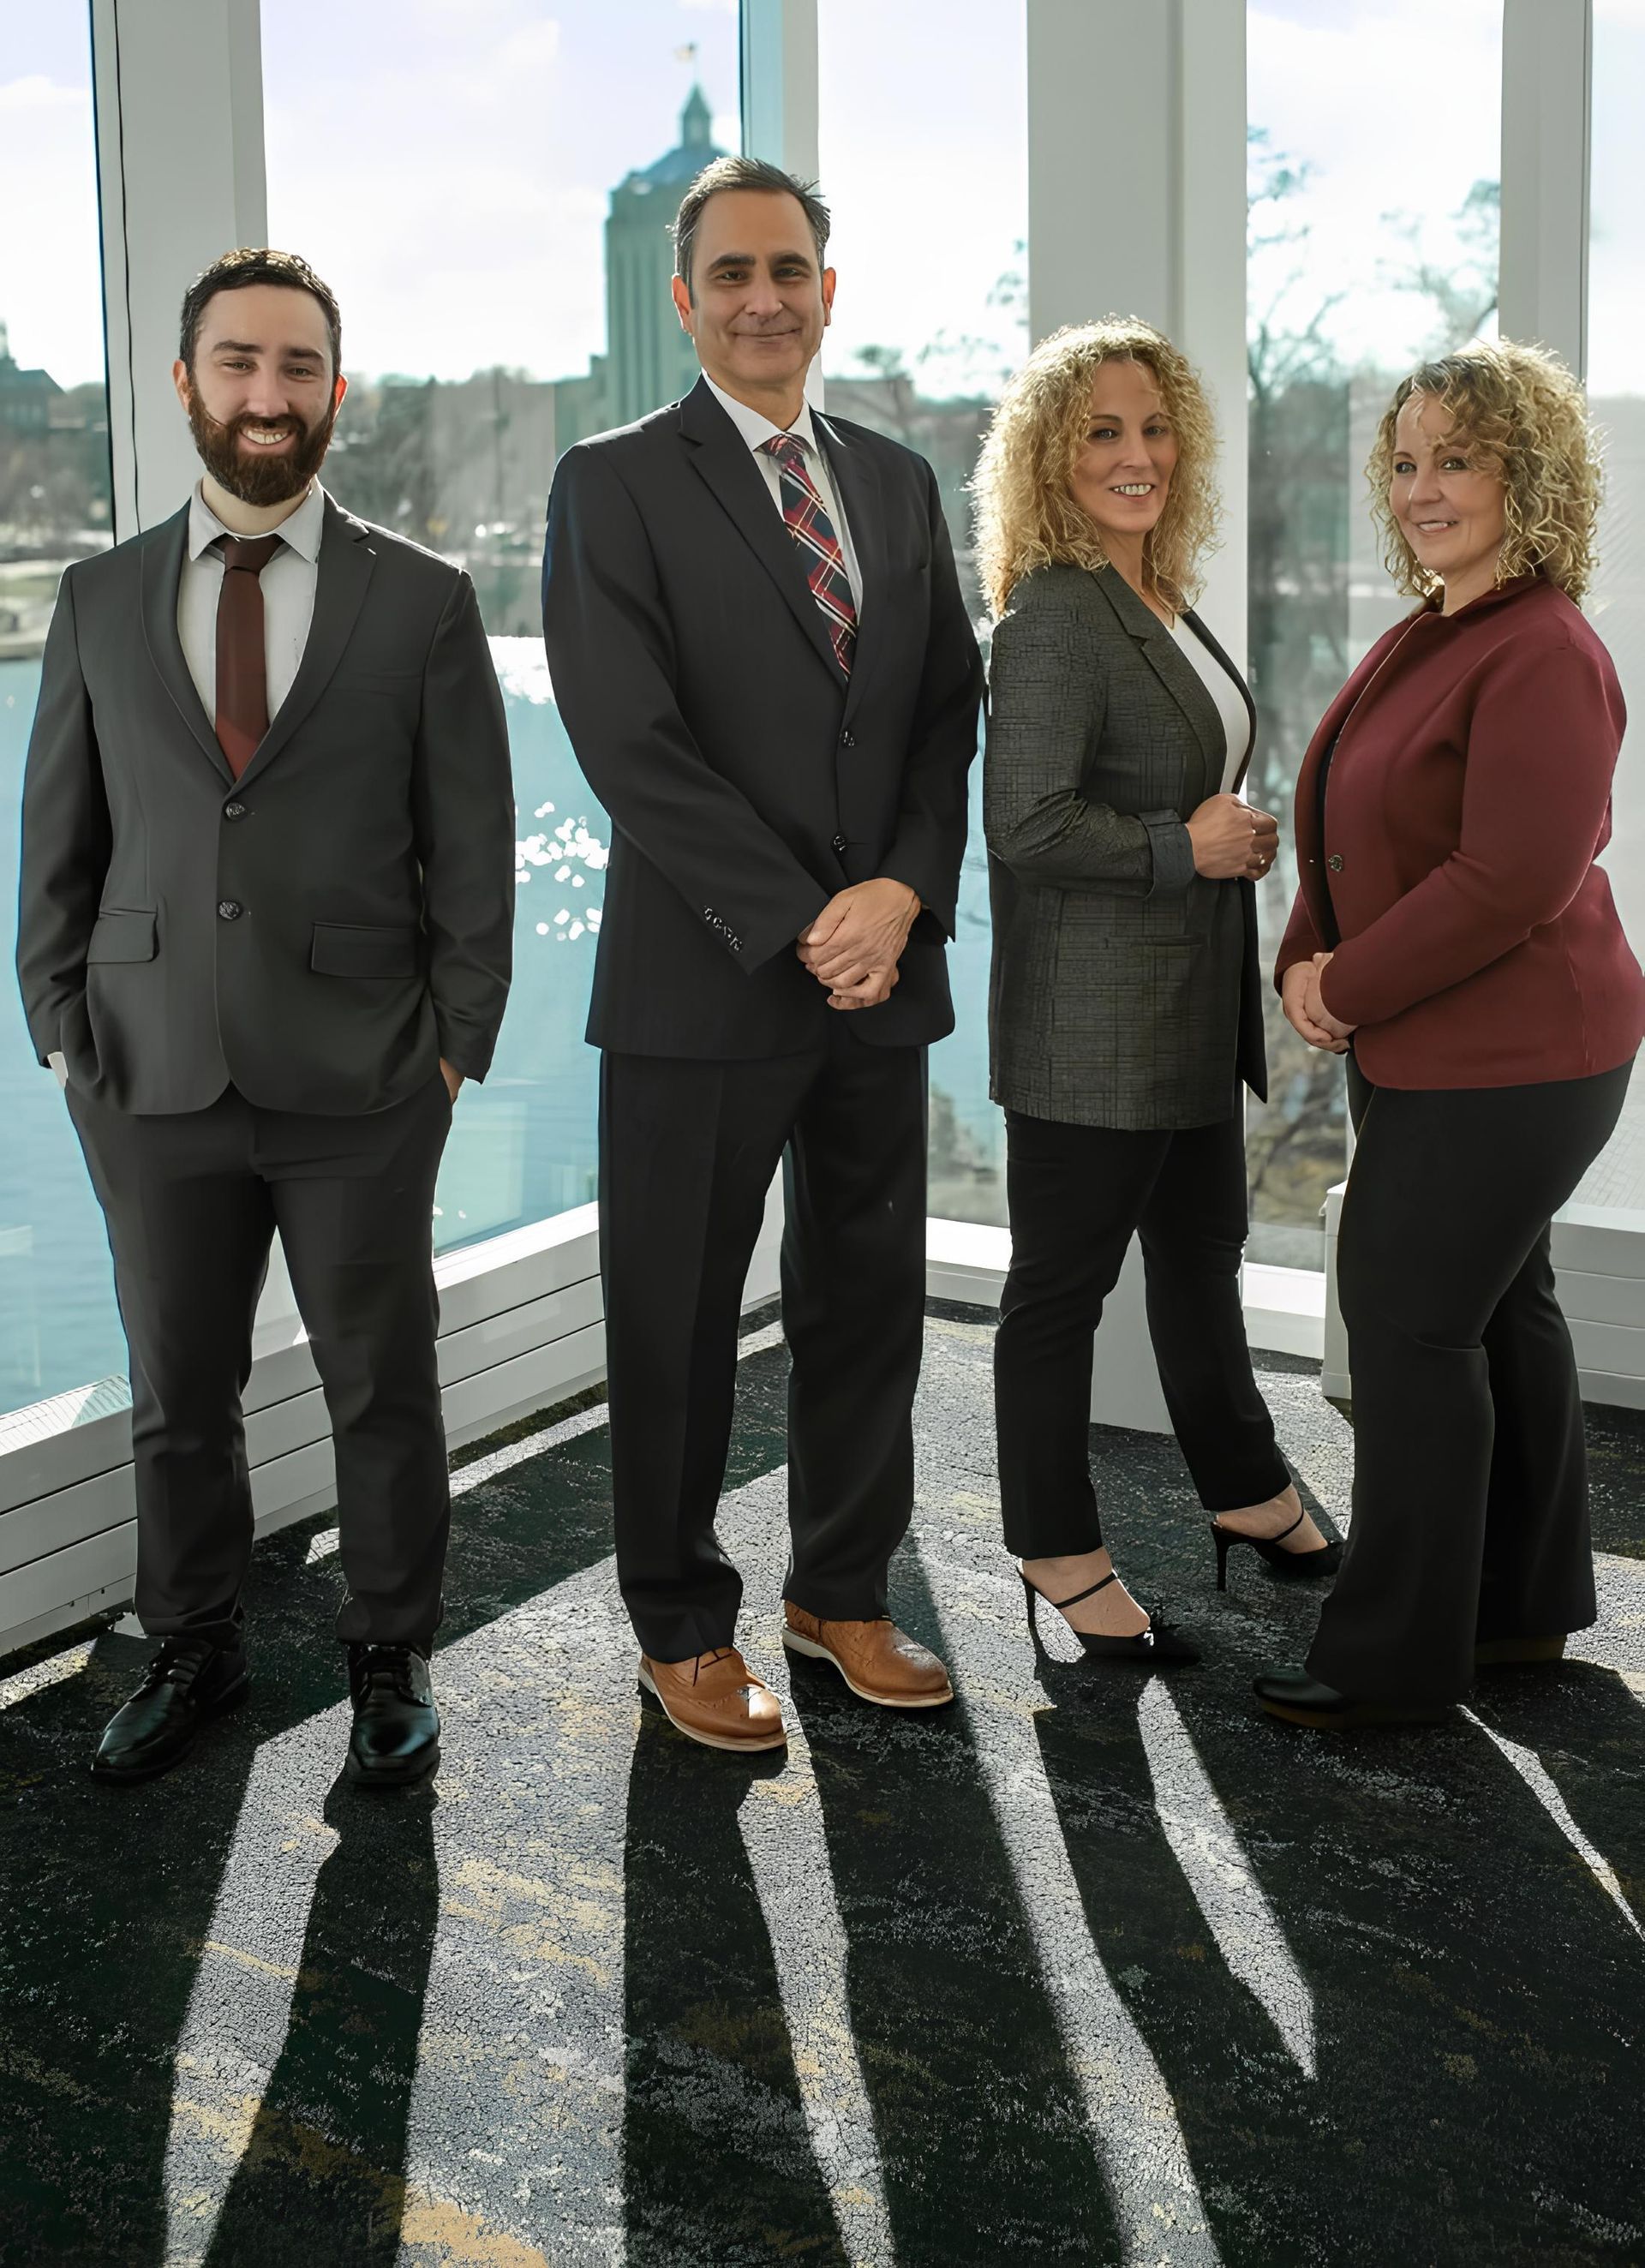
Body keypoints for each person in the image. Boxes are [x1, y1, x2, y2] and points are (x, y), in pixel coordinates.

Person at [15, 248, 516, 1786]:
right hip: (147, 1067)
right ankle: (196, 1642)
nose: (267, 394)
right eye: (238, 363)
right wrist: (57, 1025)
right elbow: (60, 835)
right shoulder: (97, 600)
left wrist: (453, 1042)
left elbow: (473, 849)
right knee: (179, 1388)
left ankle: (388, 1651)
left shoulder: (422, 602)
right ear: (185, 385)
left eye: (298, 367)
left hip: (366, 1070)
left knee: (384, 1376)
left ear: (335, 395)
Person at [541, 157, 984, 1754]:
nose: (762, 298)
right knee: (674, 1317)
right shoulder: (615, 480)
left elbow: (943, 717)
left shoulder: (900, 481)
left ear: (827, 288)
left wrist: (902, 897)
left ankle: (842, 1590)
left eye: (788, 269)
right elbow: (629, 741)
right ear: (685, 302)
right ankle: (678, 1622)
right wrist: (809, 915)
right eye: (730, 274)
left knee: (866, 1301)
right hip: (703, 979)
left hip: (880, 977)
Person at [1258, 340, 1644, 1731]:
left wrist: (1344, 988)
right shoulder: (1439, 624)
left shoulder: (1543, 649)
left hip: (1521, 1059)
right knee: (1502, 1311)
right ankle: (1517, 1612)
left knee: (1411, 1329)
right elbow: (1360, 815)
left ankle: (1395, 1660)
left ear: (1525, 475)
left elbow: (1510, 881)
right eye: (1408, 461)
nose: (1425, 488)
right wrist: (1308, 942)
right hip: (1456, 1046)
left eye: (1458, 459)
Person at [973, 318, 1335, 1673]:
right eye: (1102, 435)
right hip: (1090, 1031)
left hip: (1186, 1014)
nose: (1137, 456)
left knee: (1201, 1262)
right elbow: (1024, 822)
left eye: (1155, 429)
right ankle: (1055, 1550)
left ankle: (1244, 1493)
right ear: (1052, 464)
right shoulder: (1060, 610)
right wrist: (1188, 848)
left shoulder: (1157, 596)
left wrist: (1227, 837)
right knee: (1057, 1294)